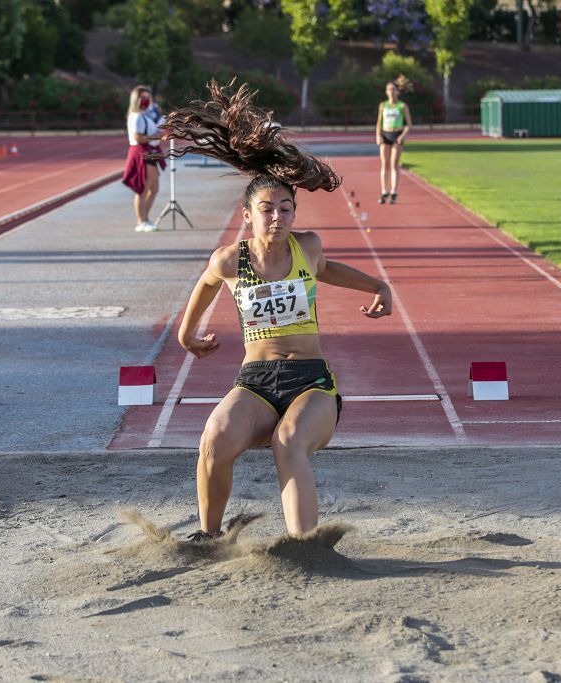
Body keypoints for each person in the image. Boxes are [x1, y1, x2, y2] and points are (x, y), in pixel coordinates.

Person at [161, 81, 393, 539]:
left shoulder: (307, 247)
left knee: (288, 445)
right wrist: (186, 335)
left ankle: (304, 545)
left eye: (286, 208)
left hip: (311, 381)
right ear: (248, 214)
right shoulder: (231, 259)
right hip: (256, 381)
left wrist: (377, 285)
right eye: (267, 209)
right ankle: (209, 537)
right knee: (213, 441)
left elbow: (329, 270)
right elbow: (206, 286)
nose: (278, 217)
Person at [122, 86, 166, 232]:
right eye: (143, 97)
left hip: (150, 150)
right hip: (142, 151)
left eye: (148, 97)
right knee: (143, 188)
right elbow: (137, 137)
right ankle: (141, 221)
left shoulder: (146, 115)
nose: (146, 100)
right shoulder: (137, 116)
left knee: (154, 188)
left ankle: (145, 219)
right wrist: (156, 136)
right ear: (136, 99)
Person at [375, 80, 412, 205]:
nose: (391, 92)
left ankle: (394, 191)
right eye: (389, 89)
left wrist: (403, 136)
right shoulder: (383, 105)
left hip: (397, 135)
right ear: (386, 92)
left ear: (397, 92)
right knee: (384, 163)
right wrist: (378, 135)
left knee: (394, 163)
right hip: (385, 134)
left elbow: (409, 124)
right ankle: (384, 190)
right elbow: (379, 123)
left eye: (393, 89)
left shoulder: (402, 106)